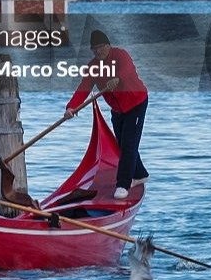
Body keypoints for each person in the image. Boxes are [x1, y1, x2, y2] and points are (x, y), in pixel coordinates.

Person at [64, 29, 149, 200]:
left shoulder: (121, 55)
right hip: (117, 110)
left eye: (101, 47)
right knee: (123, 144)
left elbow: (127, 70)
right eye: (94, 48)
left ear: (108, 46)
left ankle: (123, 185)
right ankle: (140, 174)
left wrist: (117, 78)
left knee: (129, 145)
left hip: (136, 104)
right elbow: (84, 88)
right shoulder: (93, 67)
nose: (98, 51)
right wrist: (71, 107)